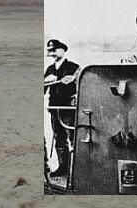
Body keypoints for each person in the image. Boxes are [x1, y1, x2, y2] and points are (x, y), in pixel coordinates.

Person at [44, 39, 79, 177]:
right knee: (59, 137)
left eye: (55, 50)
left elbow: (80, 85)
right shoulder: (49, 70)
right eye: (50, 51)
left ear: (63, 50)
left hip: (68, 109)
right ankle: (63, 167)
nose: (53, 53)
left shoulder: (73, 67)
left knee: (73, 138)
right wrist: (46, 81)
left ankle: (77, 169)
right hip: (54, 109)